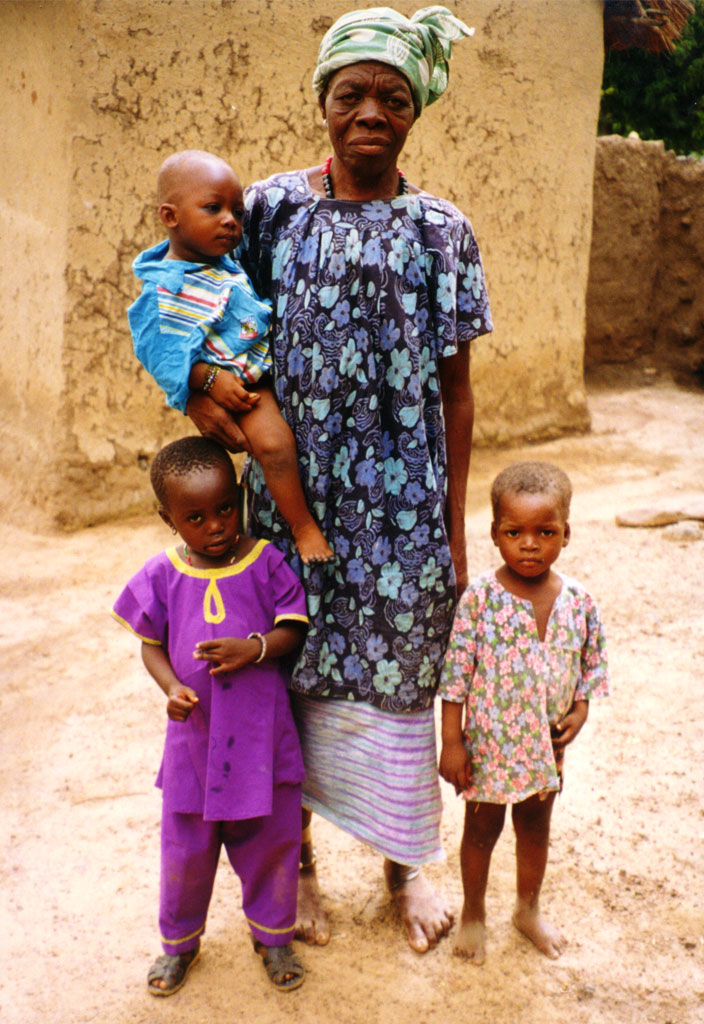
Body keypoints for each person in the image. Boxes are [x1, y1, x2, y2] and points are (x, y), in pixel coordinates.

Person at [186, 6, 493, 953]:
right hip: (291, 508)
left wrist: (449, 530)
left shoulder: (442, 229)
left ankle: (404, 873)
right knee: (289, 677)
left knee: (400, 681)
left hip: (401, 513)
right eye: (350, 93)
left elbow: (456, 394)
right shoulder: (270, 210)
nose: (369, 110)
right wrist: (200, 388)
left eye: (391, 98)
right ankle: (303, 867)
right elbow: (186, 301)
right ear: (322, 104)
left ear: (414, 114)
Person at [112, 436, 309, 994]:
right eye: (195, 517)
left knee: (272, 843)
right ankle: (179, 946)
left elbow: (294, 627)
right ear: (168, 518)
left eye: (225, 508)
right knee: (185, 853)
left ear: (240, 496)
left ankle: (274, 938)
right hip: (193, 747)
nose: (217, 525)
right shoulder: (162, 575)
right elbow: (149, 642)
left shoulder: (265, 561)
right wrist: (171, 687)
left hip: (261, 743)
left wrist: (256, 648)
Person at [438, 461, 610, 964]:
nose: (530, 544)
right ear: (495, 534)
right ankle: (473, 912)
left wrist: (579, 712)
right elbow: (455, 679)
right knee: (481, 830)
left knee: (535, 828)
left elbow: (590, 665)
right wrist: (452, 743)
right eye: (515, 532)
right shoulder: (479, 601)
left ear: (566, 533)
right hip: (488, 751)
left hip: (543, 752)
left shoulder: (580, 602)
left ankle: (527, 908)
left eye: (545, 532)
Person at [128, 149, 333, 564]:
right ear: (171, 217)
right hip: (238, 389)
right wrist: (206, 380)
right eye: (212, 208)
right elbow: (157, 353)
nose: (230, 221)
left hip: (257, 373)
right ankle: (303, 526)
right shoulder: (165, 288)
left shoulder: (220, 263)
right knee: (274, 447)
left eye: (237, 212)